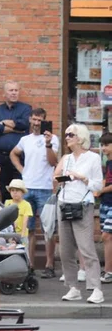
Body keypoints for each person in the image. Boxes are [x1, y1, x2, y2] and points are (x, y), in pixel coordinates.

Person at [53, 123, 103, 304]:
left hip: (83, 204)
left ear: (80, 138)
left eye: (70, 134)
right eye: (66, 134)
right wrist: (62, 179)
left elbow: (98, 185)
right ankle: (73, 287)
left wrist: (82, 177)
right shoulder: (66, 158)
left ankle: (96, 288)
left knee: (86, 248)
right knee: (65, 250)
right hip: (64, 203)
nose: (67, 137)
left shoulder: (93, 158)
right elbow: (57, 178)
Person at [9, 108, 60, 277]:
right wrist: (21, 169)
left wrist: (48, 143)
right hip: (27, 187)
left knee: (48, 228)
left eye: (40, 120)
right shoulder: (25, 139)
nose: (37, 123)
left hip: (45, 187)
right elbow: (13, 154)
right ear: (30, 119)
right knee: (27, 228)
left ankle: (49, 265)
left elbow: (54, 162)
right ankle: (29, 265)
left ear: (44, 121)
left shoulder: (53, 139)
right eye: (34, 119)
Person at [0, 81, 31, 194]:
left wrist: (4, 123)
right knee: (4, 189)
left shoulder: (26, 108)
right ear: (4, 94)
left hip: (19, 157)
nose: (14, 93)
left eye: (16, 90)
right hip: (1, 157)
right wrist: (15, 128)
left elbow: (25, 124)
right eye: (11, 90)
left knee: (19, 190)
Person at [99, 132, 112, 284]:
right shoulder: (107, 162)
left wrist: (101, 190)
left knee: (106, 236)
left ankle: (108, 271)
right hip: (105, 202)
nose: (104, 148)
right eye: (102, 145)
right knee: (107, 237)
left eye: (107, 145)